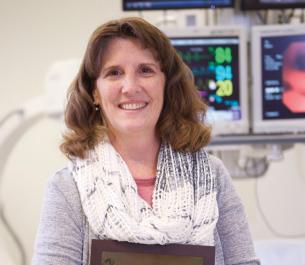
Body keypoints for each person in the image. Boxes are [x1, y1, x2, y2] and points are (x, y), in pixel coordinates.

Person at [32, 17, 260, 265]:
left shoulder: (213, 177)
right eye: (114, 73)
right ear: (95, 92)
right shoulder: (68, 189)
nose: (130, 87)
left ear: (166, 85)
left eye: (145, 70)